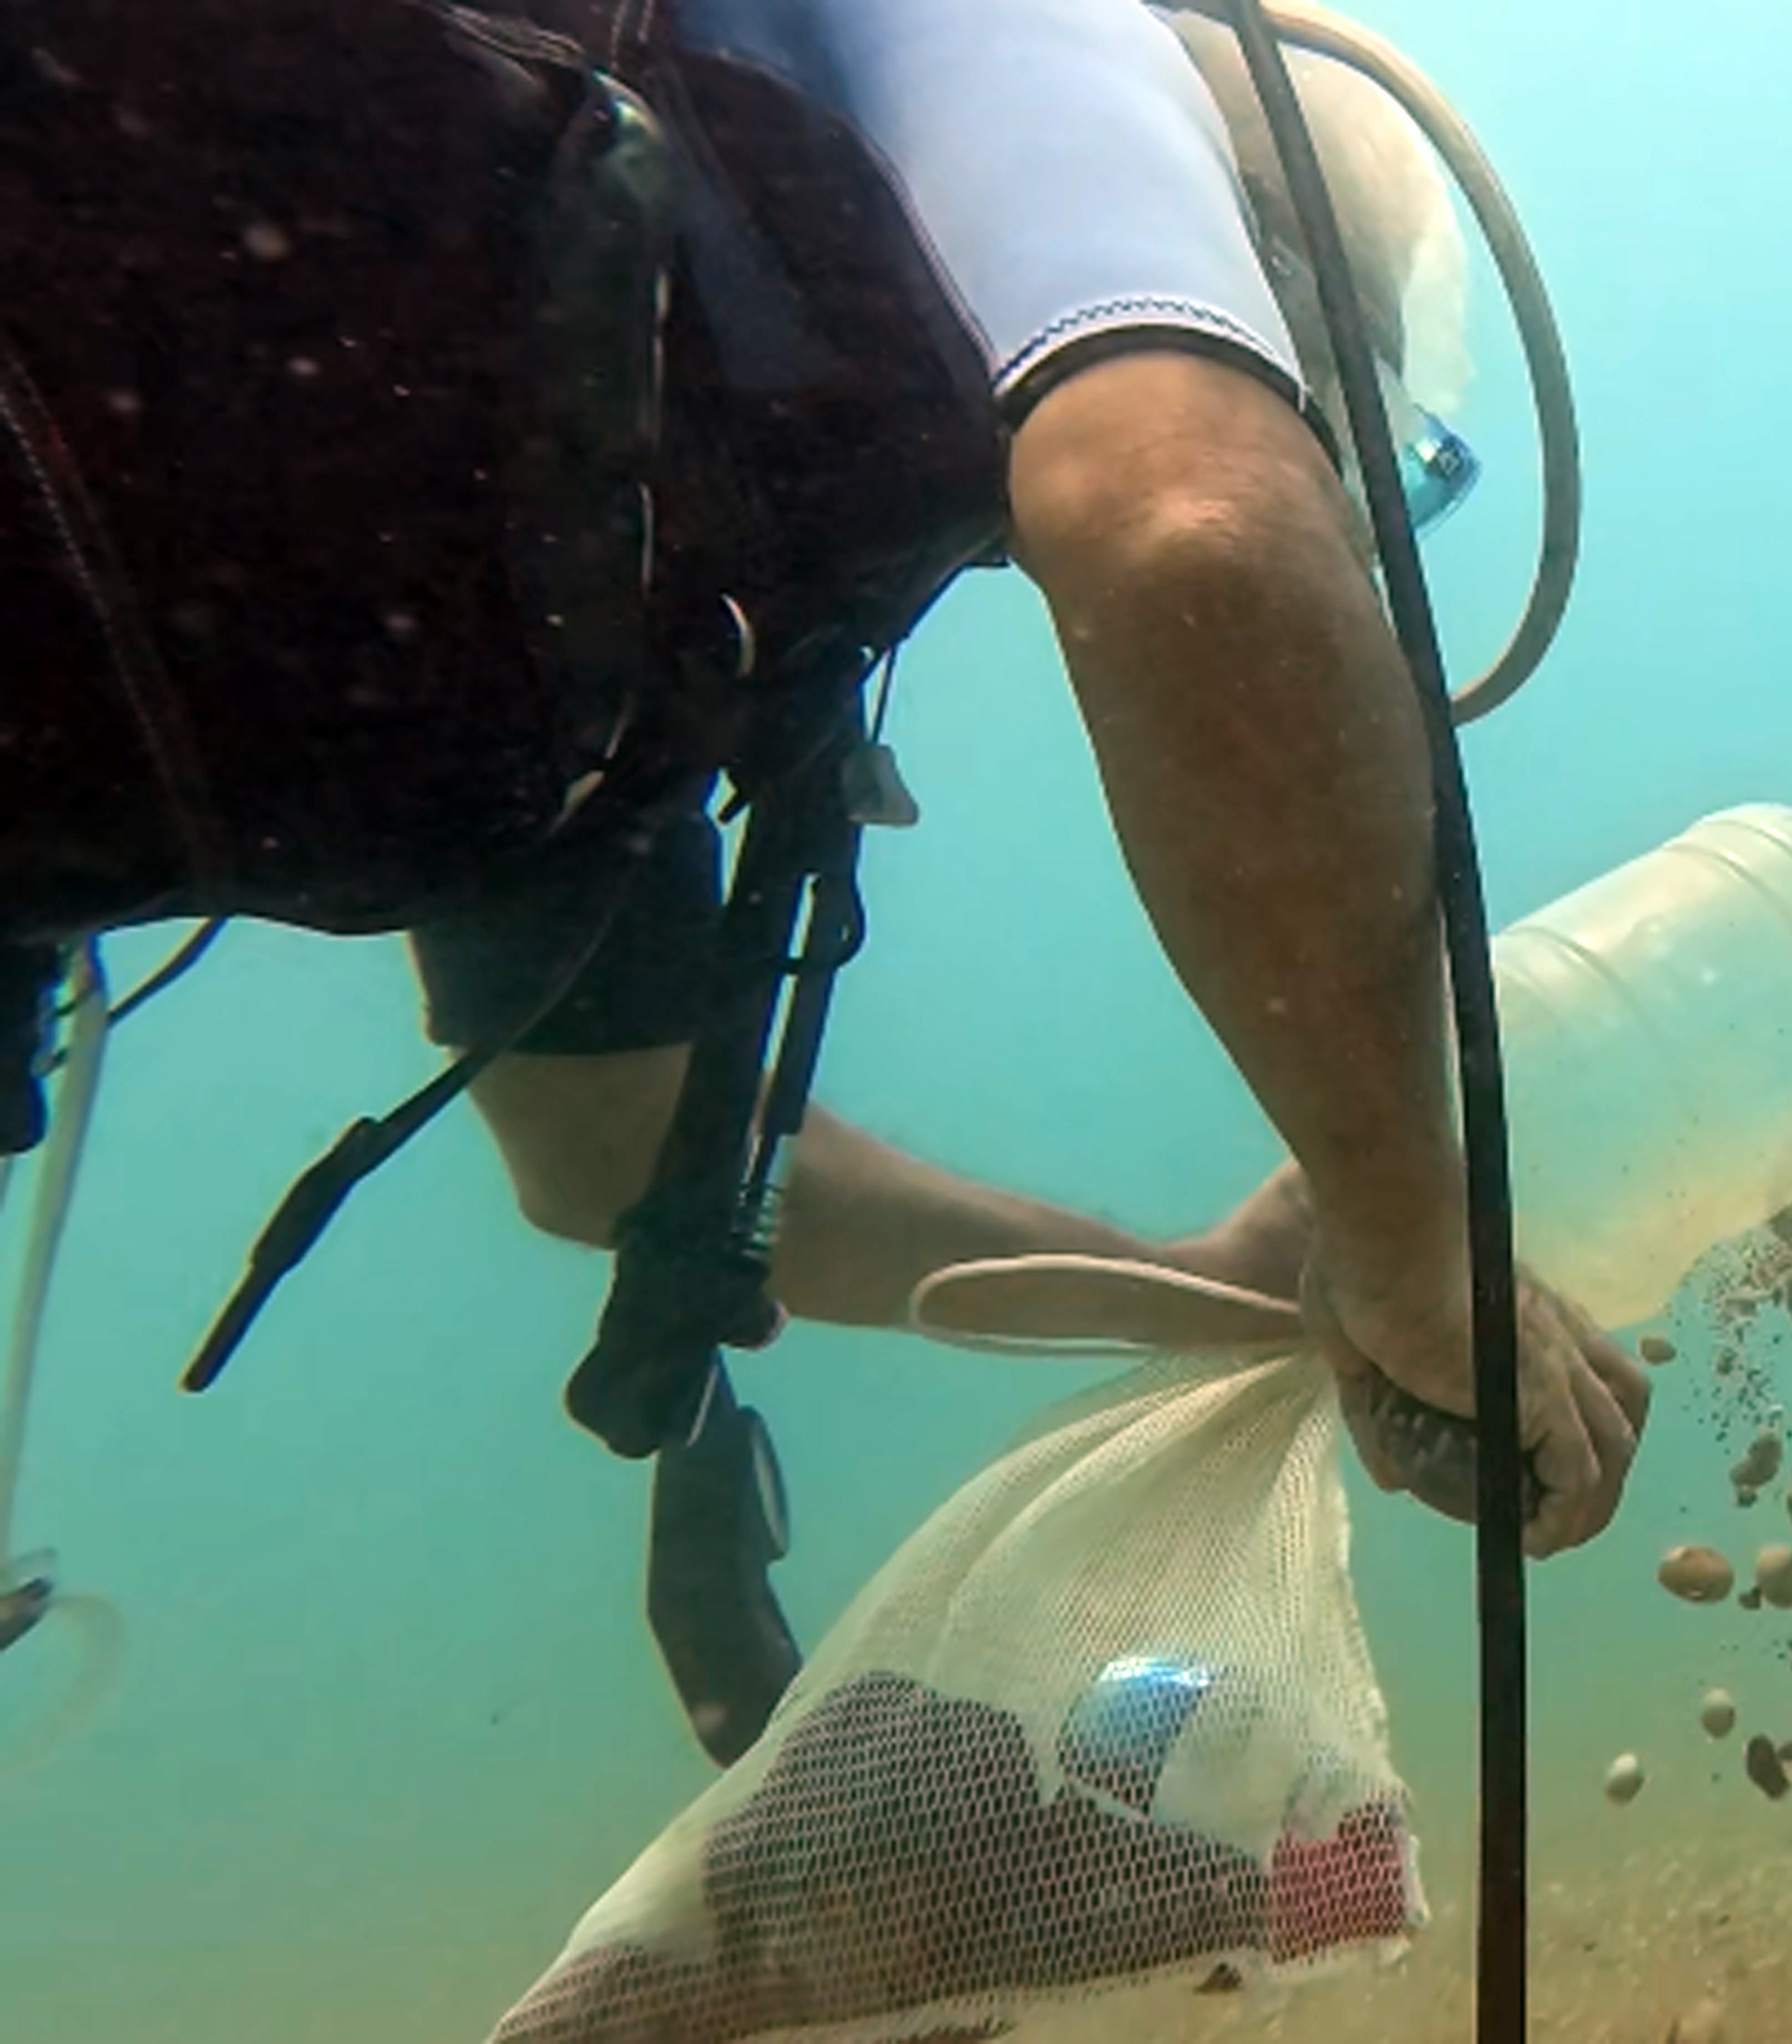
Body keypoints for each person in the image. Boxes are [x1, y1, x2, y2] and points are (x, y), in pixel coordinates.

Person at [0, 0, 1643, 1555]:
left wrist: (1196, 1285)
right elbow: (1193, 531)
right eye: (1325, 420)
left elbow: (615, 1138)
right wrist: (1410, 1235)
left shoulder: (629, 477)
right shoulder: (1041, 46)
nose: (1324, 490)